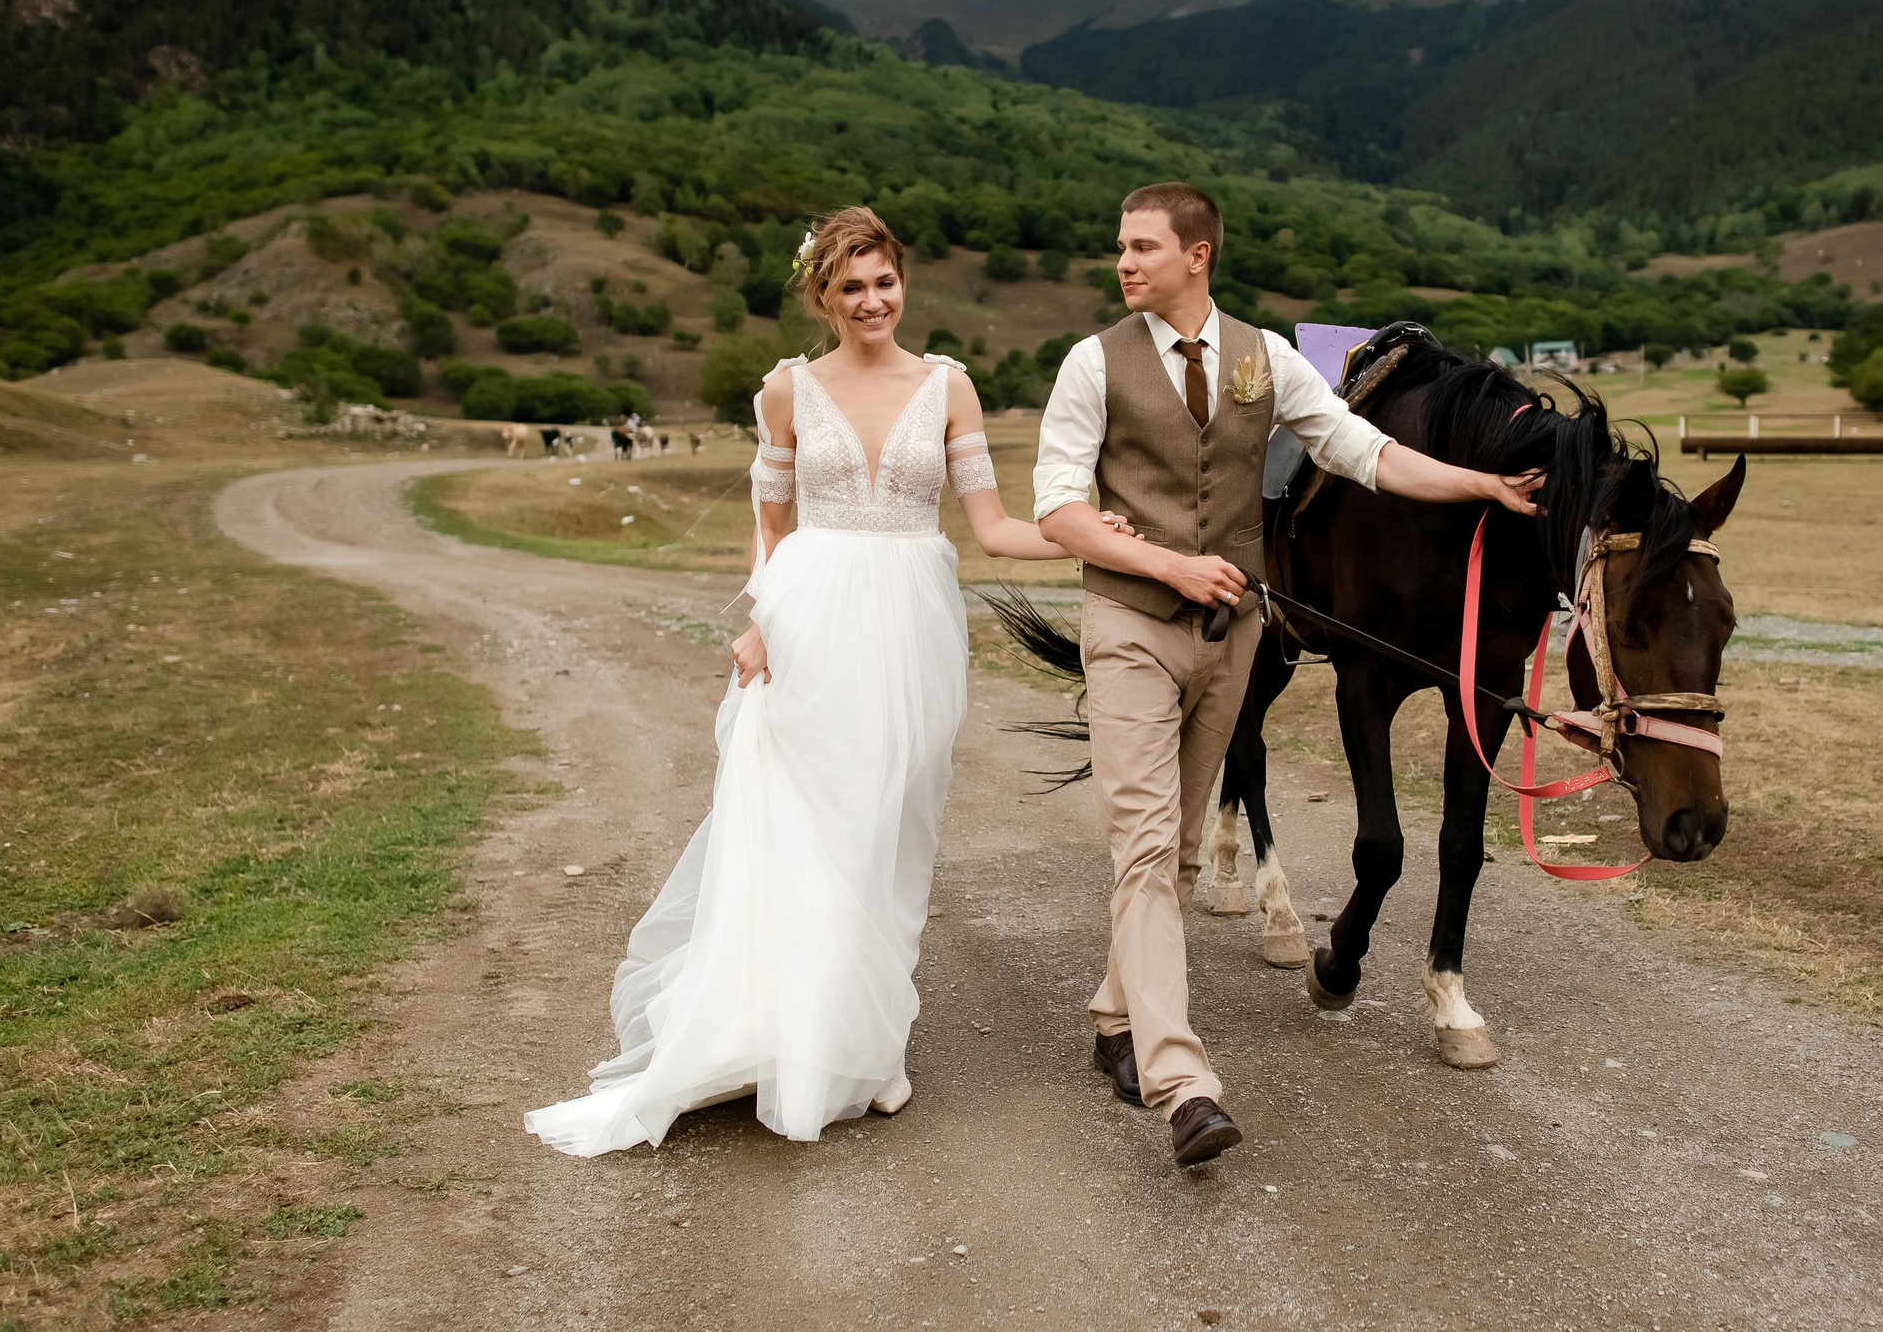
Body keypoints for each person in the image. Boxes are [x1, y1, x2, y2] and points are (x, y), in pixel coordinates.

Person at [525, 207, 1098, 1151]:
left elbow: (993, 527)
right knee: (816, 826)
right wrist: (760, 620)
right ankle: (813, 1037)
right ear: (822, 296)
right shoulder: (786, 390)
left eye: (884, 281)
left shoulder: (950, 386)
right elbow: (774, 525)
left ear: (902, 282)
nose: (872, 301)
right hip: (810, 622)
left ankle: (873, 1038)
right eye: (851, 286)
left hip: (914, 622)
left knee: (893, 828)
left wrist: (1090, 537)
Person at [1034, 182, 1541, 1168]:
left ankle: (1111, 1011)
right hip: (1130, 624)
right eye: (1120, 246)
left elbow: (1367, 453)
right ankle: (1181, 1076)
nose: (1123, 263)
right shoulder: (1089, 363)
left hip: (1226, 641)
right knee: (1143, 847)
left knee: (1177, 847)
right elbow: (1058, 506)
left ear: (1198, 256)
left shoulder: (1267, 360)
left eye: (1141, 246)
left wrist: (1480, 482)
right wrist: (1170, 563)